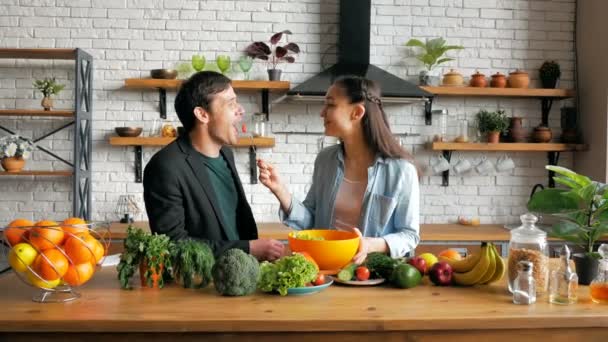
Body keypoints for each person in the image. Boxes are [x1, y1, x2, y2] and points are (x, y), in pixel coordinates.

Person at [257, 76, 420, 264]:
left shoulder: (401, 171)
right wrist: (280, 190)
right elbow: (311, 223)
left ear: (357, 112)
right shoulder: (326, 160)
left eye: (330, 105)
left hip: (372, 275)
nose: (322, 113)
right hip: (325, 270)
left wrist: (370, 245)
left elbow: (409, 236)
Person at [143, 71, 284, 261]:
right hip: (202, 286)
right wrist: (248, 249)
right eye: (230, 103)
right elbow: (173, 245)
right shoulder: (165, 167)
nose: (241, 110)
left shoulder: (226, 154)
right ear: (202, 114)